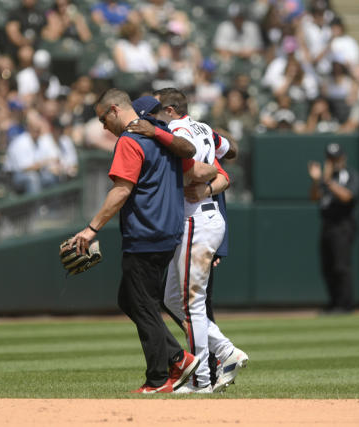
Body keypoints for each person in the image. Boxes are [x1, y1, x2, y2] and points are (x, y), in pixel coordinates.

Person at [66, 88, 207, 394]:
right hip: (168, 230)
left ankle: (163, 373)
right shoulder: (160, 132)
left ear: (114, 110)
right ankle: (174, 359)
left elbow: (121, 190)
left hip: (146, 230)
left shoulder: (130, 140)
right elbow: (189, 155)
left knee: (141, 304)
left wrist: (91, 229)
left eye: (103, 118)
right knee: (130, 299)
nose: (103, 126)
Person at [128, 89, 247, 394]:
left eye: (157, 109)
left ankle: (201, 380)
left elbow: (198, 167)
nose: (153, 115)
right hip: (200, 217)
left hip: (196, 218)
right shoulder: (204, 127)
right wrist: (213, 181)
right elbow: (229, 152)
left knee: (192, 303)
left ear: (169, 109)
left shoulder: (176, 131)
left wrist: (206, 185)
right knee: (171, 299)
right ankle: (226, 351)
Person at [308, 142, 359, 313]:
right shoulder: (325, 178)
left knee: (341, 265)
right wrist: (317, 181)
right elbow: (314, 197)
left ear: (343, 158)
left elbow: (347, 197)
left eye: (336, 158)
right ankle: (334, 303)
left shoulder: (350, 175)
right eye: (330, 159)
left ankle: (345, 305)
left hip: (343, 224)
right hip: (327, 224)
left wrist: (328, 181)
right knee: (327, 266)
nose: (334, 162)